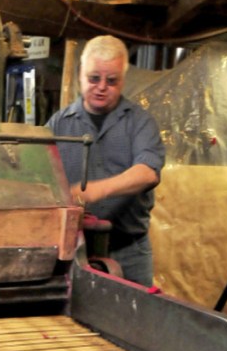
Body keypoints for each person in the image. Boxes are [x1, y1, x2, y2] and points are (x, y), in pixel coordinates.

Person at [46, 35, 165, 286]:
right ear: (80, 75)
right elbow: (39, 171)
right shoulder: (59, 124)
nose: (101, 87)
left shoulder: (140, 123)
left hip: (128, 251)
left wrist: (93, 191)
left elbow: (148, 172)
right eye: (94, 78)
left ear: (123, 80)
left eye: (111, 81)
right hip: (75, 250)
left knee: (135, 320)